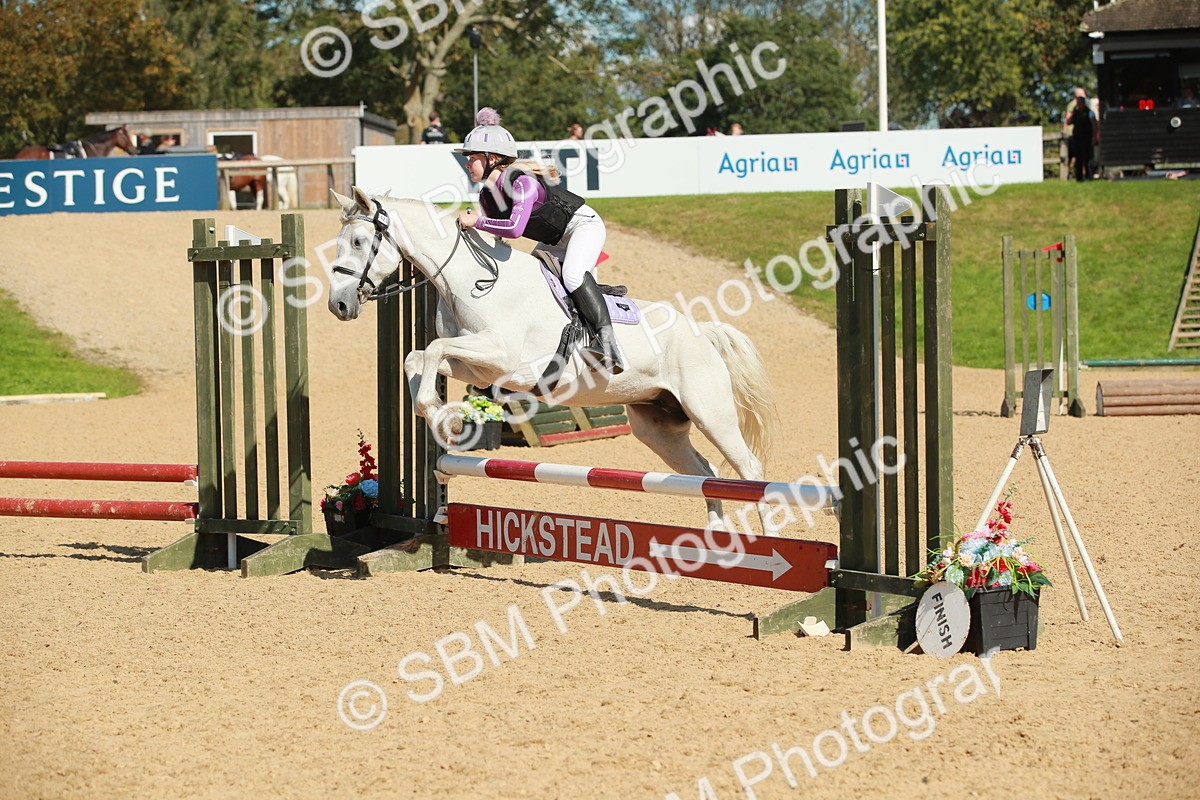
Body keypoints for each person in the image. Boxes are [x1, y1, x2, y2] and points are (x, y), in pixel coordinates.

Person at [456, 107, 623, 373]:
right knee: (535, 280)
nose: (467, 163)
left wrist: (475, 221)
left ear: (492, 158)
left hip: (582, 226)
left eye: (472, 157)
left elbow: (513, 229)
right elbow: (497, 238)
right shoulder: (488, 197)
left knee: (572, 276)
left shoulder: (523, 183)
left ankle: (609, 345)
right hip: (553, 240)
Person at [1067, 96, 1098, 182]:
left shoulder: (1089, 113)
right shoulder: (1075, 113)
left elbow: (1094, 125)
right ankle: (1079, 177)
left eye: (1079, 102)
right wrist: (1073, 112)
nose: (1078, 104)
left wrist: (1094, 137)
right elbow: (1068, 122)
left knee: (1087, 158)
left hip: (1086, 138)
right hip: (1077, 138)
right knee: (1078, 158)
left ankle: (1088, 175)